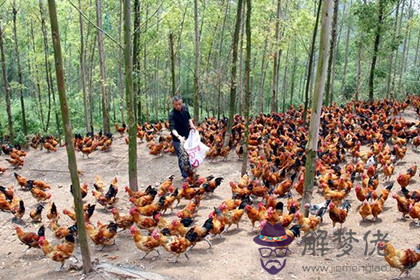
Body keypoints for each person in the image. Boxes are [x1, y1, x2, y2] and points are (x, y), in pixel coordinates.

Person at [169, 95, 196, 180]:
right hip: (178, 140)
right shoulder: (172, 114)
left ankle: (189, 171)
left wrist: (192, 125)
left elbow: (189, 118)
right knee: (181, 156)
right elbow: (172, 128)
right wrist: (179, 137)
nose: (178, 106)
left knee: (188, 154)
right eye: (176, 104)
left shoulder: (185, 108)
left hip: (187, 135)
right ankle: (184, 175)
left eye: (180, 104)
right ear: (173, 104)